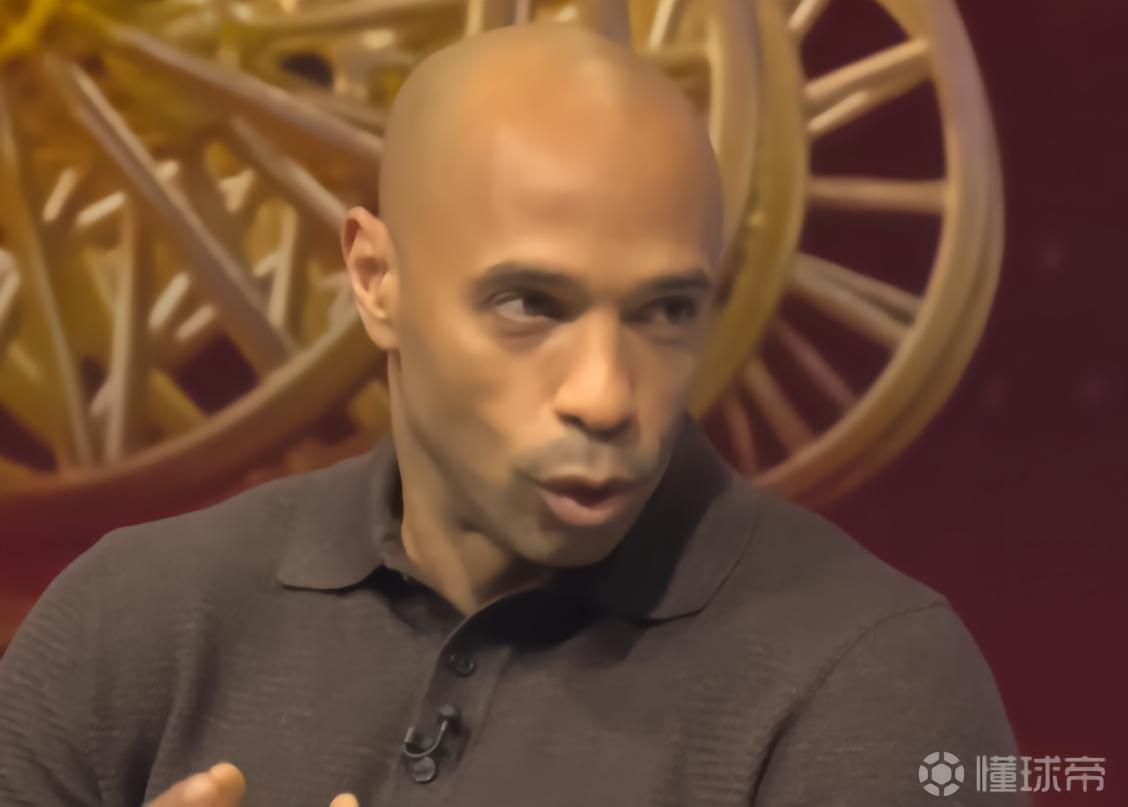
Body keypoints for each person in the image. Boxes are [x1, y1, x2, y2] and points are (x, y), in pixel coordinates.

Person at [0, 21, 1024, 807]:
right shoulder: (131, 621)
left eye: (666, 311)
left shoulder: (876, 678)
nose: (605, 396)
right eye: (529, 305)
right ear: (376, 280)